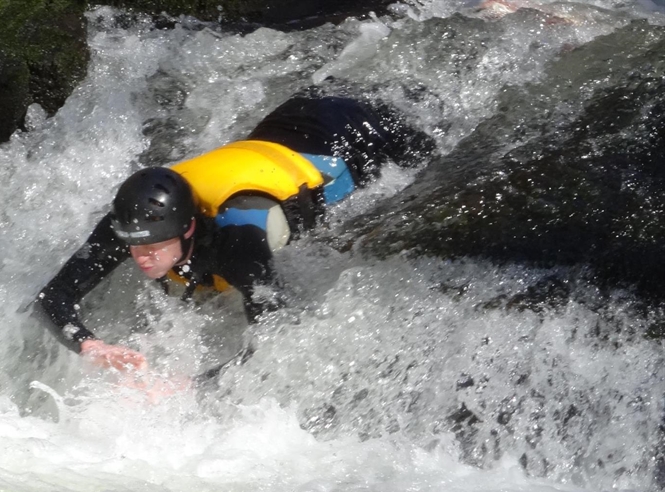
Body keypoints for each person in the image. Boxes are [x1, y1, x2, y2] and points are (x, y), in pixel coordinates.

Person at [35, 84, 436, 373]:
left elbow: (279, 334)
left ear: (190, 228)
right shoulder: (133, 222)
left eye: (155, 247)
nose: (142, 256)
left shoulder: (238, 241)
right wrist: (90, 344)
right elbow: (53, 296)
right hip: (288, 121)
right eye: (133, 247)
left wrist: (193, 385)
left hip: (355, 136)